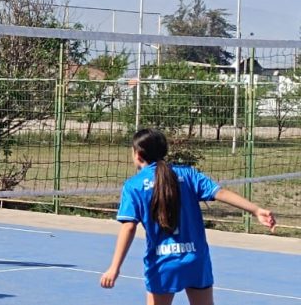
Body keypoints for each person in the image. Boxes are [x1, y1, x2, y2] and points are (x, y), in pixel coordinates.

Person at [100, 128, 277, 305]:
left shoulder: (134, 186)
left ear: (138, 154)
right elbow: (220, 192)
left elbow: (129, 227)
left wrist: (114, 267)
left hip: (163, 263)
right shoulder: (188, 174)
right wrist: (255, 210)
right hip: (196, 259)